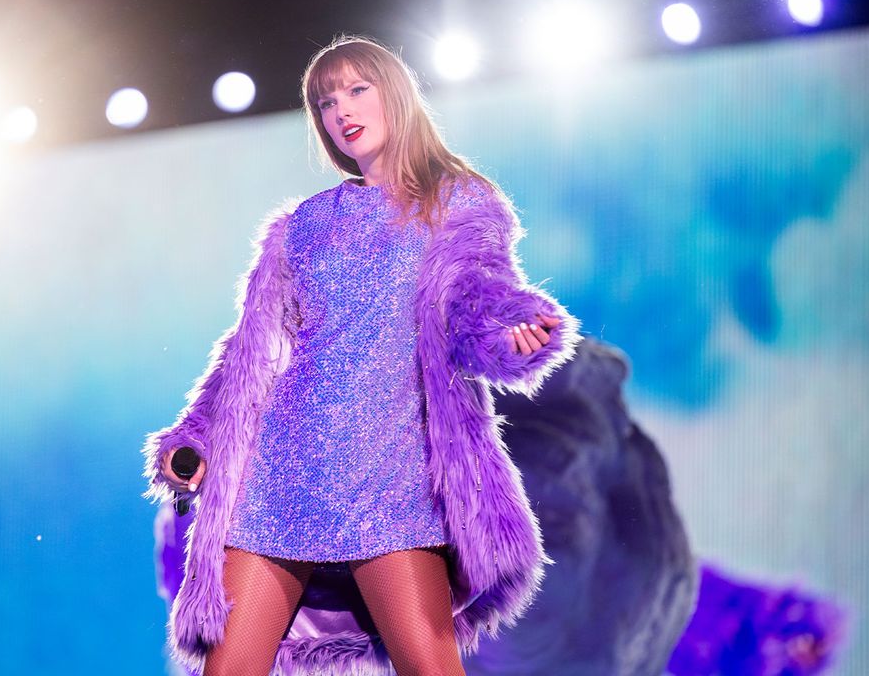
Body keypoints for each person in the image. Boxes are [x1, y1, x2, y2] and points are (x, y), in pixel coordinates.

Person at [143, 35, 581, 676]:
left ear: (395, 94)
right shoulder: (303, 224)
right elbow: (250, 352)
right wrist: (198, 434)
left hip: (394, 473)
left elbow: (475, 306)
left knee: (430, 667)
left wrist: (512, 332)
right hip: (280, 474)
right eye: (324, 102)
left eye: (356, 90)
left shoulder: (457, 201)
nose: (340, 111)